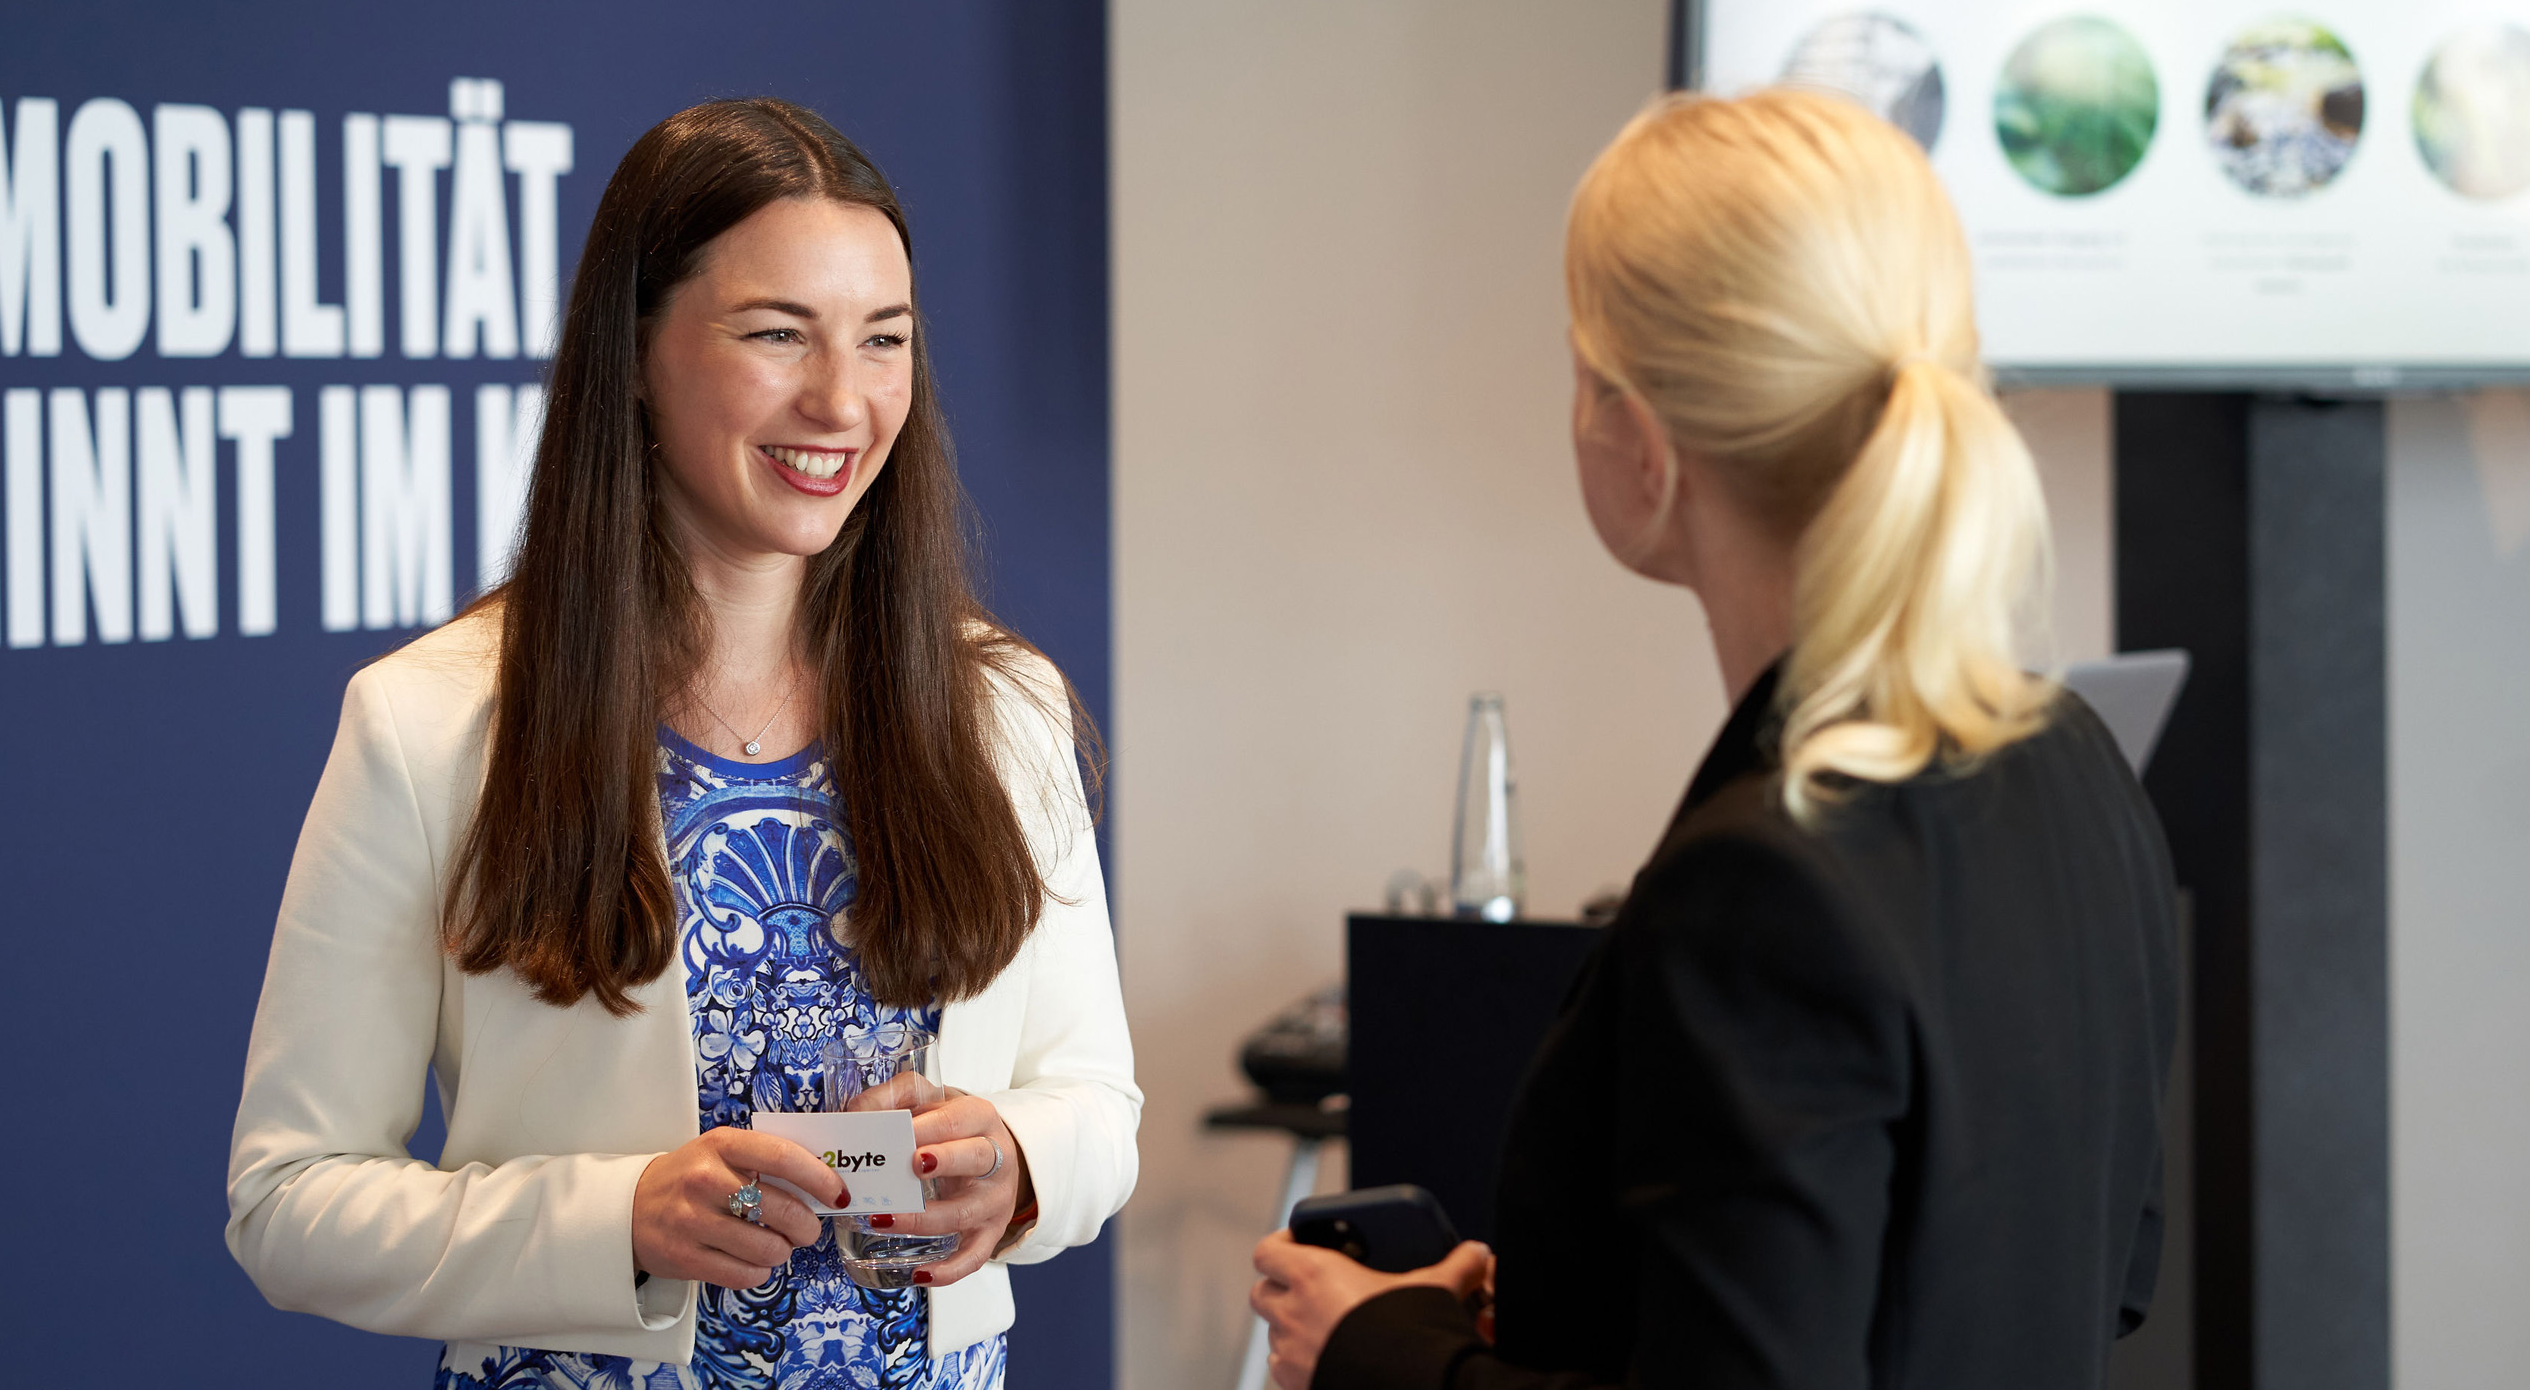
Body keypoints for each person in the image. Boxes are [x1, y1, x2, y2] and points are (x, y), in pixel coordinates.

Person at [1250, 88, 2177, 1389]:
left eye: (1577, 365)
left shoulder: (1763, 886)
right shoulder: (2075, 765)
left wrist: (1378, 1350)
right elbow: (2089, 1271)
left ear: (1641, 442)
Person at [227, 99, 1140, 1390]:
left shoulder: (1004, 710)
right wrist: (619, 1220)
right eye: (777, 335)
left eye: (885, 341)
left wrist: (1020, 1163)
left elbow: (1099, 1106)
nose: (842, 399)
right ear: (637, 354)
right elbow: (289, 1200)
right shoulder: (430, 722)